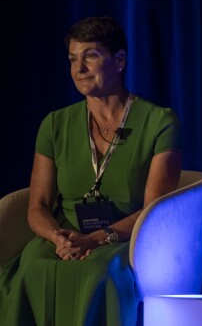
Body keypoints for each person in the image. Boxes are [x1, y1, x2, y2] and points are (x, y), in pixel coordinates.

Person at [0, 17, 182, 326]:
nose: (78, 68)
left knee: (103, 272)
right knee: (31, 264)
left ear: (120, 60)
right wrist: (58, 239)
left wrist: (98, 238)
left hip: (125, 238)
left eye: (91, 56)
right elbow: (38, 205)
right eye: (73, 59)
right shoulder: (55, 124)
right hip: (66, 234)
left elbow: (154, 211)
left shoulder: (160, 122)